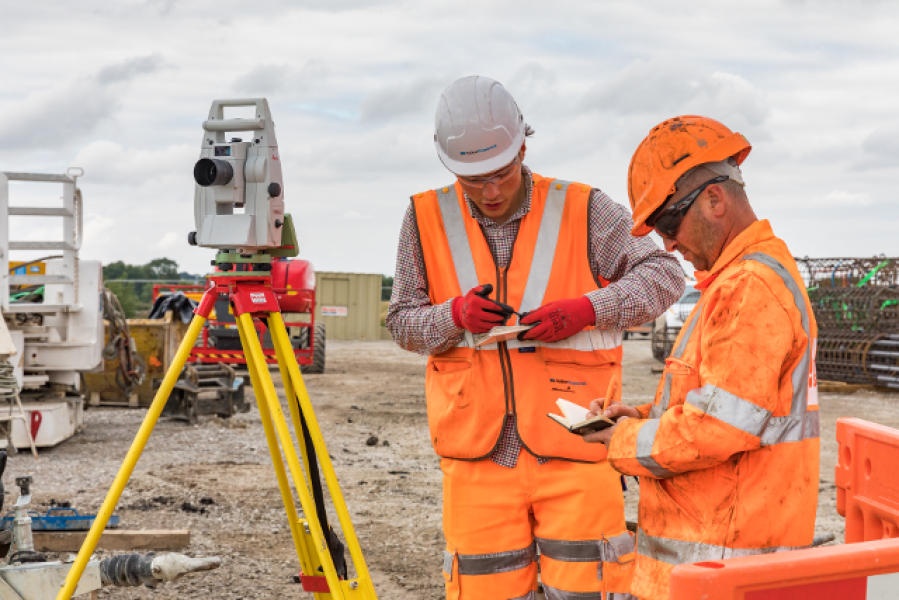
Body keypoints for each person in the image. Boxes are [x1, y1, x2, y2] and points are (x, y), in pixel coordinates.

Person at [386, 75, 684, 600]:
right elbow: (403, 322)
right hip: (476, 456)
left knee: (589, 590)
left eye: (501, 173)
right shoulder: (425, 216)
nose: (491, 191)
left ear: (523, 145)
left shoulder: (584, 208)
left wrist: (588, 308)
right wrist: (453, 316)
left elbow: (664, 275)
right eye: (473, 180)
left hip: (578, 446)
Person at [584, 116, 820, 600]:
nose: (668, 244)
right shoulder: (734, 283)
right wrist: (644, 416)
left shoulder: (750, 288)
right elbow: (719, 405)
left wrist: (623, 441)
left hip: (724, 565)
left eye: (669, 223)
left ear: (715, 200)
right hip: (717, 557)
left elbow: (716, 431)